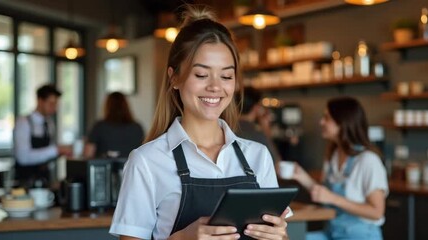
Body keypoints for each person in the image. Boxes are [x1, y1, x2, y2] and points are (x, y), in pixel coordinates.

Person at [109, 5, 290, 240]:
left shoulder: (258, 156)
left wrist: (280, 236)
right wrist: (182, 238)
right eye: (201, 75)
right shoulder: (146, 161)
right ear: (174, 77)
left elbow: (280, 237)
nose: (215, 86)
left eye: (226, 76)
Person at [290, 97, 388, 240]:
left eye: (326, 118)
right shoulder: (333, 156)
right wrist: (301, 176)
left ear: (343, 123)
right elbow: (325, 196)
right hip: (333, 233)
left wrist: (334, 199)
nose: (321, 122)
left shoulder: (368, 160)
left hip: (360, 235)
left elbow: (377, 212)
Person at [13, 84, 72, 188]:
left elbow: (48, 155)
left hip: (44, 180)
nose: (54, 109)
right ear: (40, 101)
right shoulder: (23, 122)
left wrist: (61, 152)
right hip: (25, 182)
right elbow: (22, 157)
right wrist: (56, 150)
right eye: (51, 103)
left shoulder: (50, 123)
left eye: (56, 104)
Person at [83, 91, 145, 158]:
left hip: (106, 167)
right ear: (126, 106)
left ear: (107, 106)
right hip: (131, 167)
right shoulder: (137, 128)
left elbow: (88, 154)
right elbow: (143, 153)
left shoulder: (99, 127)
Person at [235, 86, 281, 166]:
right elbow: (276, 165)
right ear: (257, 107)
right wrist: (266, 129)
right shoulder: (256, 133)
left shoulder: (227, 127)